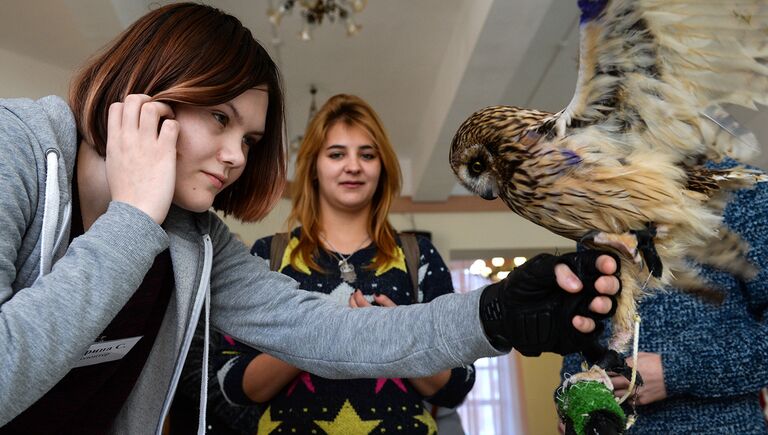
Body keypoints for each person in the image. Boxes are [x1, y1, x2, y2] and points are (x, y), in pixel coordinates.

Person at [0, 2, 620, 433]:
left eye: (249, 138)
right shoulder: (15, 149)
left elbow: (326, 331)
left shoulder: (193, 238)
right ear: (147, 89)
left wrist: (495, 313)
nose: (235, 157)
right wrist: (133, 218)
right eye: (220, 119)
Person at [197, 94, 474, 434]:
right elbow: (233, 385)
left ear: (382, 166)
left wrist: (392, 335)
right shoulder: (269, 254)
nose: (353, 166)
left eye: (367, 155)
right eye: (337, 154)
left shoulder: (419, 256)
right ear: (313, 166)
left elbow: (457, 385)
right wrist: (317, 332)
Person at [560, 160, 768, 434]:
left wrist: (676, 370)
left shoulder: (742, 187)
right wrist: (569, 399)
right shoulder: (596, 193)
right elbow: (584, 324)